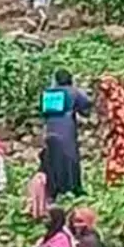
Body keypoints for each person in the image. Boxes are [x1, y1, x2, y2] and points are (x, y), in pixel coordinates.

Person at [41, 69, 92, 199]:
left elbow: (43, 112)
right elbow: (86, 106)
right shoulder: (73, 91)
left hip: (50, 129)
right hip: (66, 129)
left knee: (52, 159)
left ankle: (54, 189)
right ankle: (72, 187)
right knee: (70, 158)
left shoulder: (48, 93)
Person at [97, 75, 124, 186]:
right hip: (122, 134)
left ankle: (120, 182)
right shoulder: (120, 98)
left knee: (120, 158)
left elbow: (122, 120)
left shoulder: (116, 101)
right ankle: (121, 182)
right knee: (120, 157)